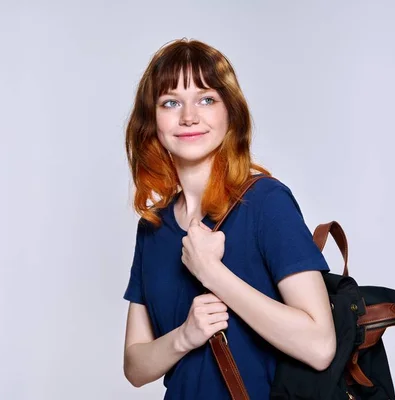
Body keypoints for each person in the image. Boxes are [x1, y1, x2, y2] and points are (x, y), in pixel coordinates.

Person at [122, 38, 336, 400]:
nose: (189, 116)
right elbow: (135, 366)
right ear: (151, 120)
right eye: (171, 102)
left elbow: (319, 346)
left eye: (206, 99)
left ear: (230, 113)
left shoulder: (266, 202)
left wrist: (213, 274)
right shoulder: (153, 227)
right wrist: (185, 336)